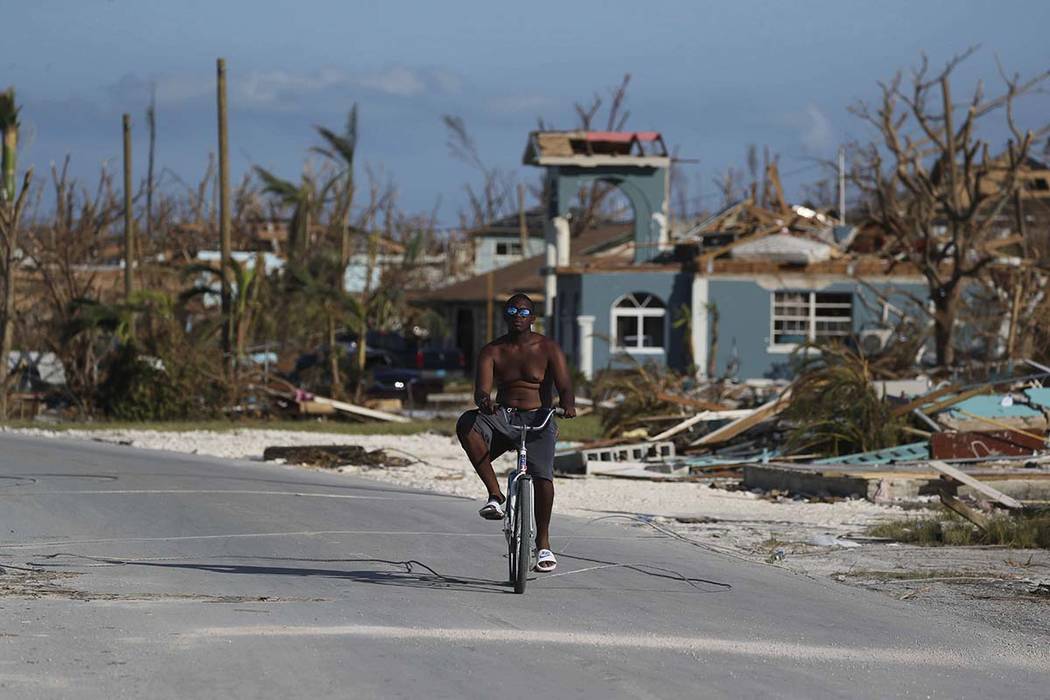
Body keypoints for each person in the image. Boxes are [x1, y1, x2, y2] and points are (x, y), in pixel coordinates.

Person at [456, 293, 576, 573]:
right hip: (503, 416)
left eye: (523, 312)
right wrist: (484, 401)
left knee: (543, 475)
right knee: (466, 424)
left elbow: (565, 385)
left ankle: (543, 544)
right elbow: (481, 389)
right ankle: (495, 496)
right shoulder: (493, 350)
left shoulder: (548, 348)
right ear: (506, 316)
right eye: (512, 310)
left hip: (539, 417)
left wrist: (568, 404)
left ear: (533, 318)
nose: (518, 315)